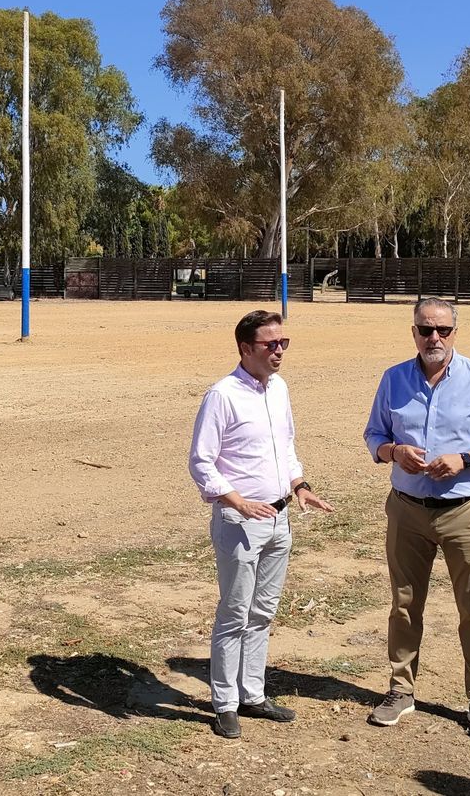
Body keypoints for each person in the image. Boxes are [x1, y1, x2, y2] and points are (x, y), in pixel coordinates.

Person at [363, 297, 470, 738]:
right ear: (413, 330)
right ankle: (400, 689)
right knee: (405, 606)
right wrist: (393, 452)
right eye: (425, 329)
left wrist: (465, 459)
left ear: (455, 332)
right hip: (408, 510)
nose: (434, 338)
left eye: (442, 330)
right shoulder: (393, 379)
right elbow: (374, 434)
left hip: (465, 511)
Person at [189, 309, 334, 739]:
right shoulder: (222, 395)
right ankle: (224, 704)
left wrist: (300, 485)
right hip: (239, 521)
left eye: (283, 343)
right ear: (245, 348)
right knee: (234, 613)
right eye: (270, 344)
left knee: (263, 611)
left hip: (279, 516)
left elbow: (285, 445)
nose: (279, 351)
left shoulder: (279, 389)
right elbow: (201, 462)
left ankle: (252, 694)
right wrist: (237, 501)